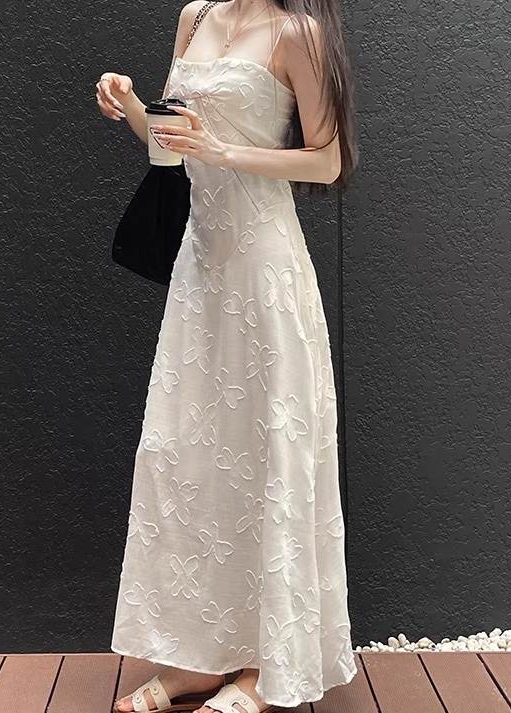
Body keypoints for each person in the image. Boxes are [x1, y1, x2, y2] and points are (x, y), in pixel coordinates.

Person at [95, 1, 358, 711]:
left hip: (264, 271)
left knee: (265, 454)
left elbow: (328, 159)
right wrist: (132, 108)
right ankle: (196, 658)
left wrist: (223, 151)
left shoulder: (299, 33)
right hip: (200, 271)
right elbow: (174, 141)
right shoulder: (196, 14)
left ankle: (265, 669)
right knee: (189, 458)